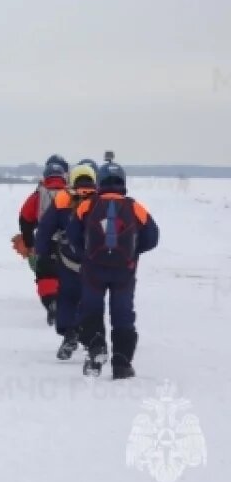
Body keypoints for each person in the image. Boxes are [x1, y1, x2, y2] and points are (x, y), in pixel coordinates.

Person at [66, 162, 159, 379]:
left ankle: (96, 346)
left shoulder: (87, 205)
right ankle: (122, 364)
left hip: (93, 270)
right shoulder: (135, 207)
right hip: (124, 271)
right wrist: (133, 253)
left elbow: (72, 234)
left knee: (90, 310)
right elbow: (152, 238)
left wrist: (85, 254)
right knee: (123, 314)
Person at [34, 164, 98, 360]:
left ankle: (69, 333)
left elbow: (45, 228)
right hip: (97, 262)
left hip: (69, 261)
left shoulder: (63, 198)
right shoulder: (101, 199)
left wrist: (42, 253)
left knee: (67, 298)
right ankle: (94, 341)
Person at [13, 156, 69, 326]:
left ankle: (51, 302)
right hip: (69, 242)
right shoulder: (71, 193)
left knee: (45, 275)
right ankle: (67, 306)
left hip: (45, 241)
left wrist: (29, 243)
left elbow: (25, 218)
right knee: (68, 275)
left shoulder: (39, 194)